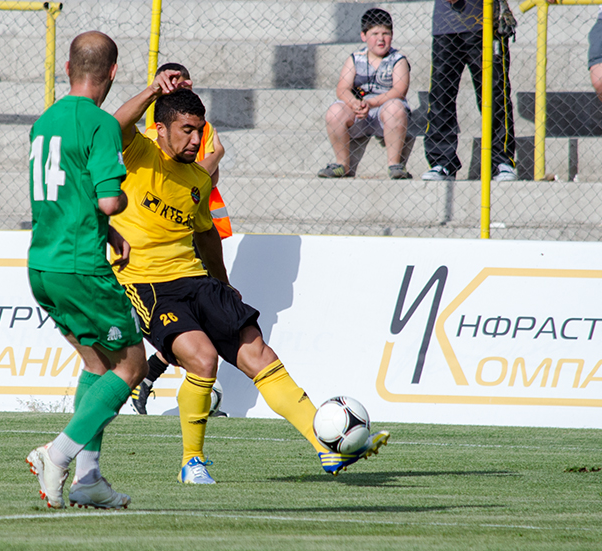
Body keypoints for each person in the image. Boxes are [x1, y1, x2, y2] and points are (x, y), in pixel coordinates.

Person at [112, 74, 390, 483]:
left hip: (197, 280)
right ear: (161, 129)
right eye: (186, 130)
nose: (195, 140)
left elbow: (206, 235)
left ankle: (326, 447)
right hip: (148, 285)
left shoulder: (198, 180)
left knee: (261, 356)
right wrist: (154, 90)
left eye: (199, 131)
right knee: (203, 359)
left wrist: (223, 284)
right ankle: (192, 461)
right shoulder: (140, 153)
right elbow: (115, 125)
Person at [24, 31, 148, 510]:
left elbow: (66, 193)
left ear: (67, 69)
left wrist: (105, 231)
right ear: (113, 72)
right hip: (81, 268)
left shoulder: (45, 121)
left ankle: (88, 479)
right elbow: (108, 199)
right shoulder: (101, 124)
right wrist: (119, 208)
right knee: (131, 365)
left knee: (97, 364)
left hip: (44, 264)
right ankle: (57, 454)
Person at [131, 62, 232, 416]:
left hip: (197, 226)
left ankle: (157, 378)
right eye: (176, 83)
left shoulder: (203, 127)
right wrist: (214, 157)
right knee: (191, 327)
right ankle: (151, 378)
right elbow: (178, 176)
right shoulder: (153, 133)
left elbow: (207, 179)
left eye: (187, 82)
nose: (183, 87)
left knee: (204, 321)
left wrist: (211, 162)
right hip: (162, 242)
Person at [421, 0, 517, 181]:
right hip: (446, 24)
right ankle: (442, 162)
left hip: (485, 21)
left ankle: (501, 160)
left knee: (494, 95)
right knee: (441, 95)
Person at [317, 9, 412, 180]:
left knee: (395, 107)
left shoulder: (398, 59)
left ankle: (395, 165)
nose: (381, 39)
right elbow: (342, 89)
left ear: (392, 35)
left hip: (386, 114)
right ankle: (342, 164)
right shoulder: (356, 58)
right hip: (360, 113)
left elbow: (399, 91)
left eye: (386, 33)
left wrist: (372, 103)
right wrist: (354, 103)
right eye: (374, 34)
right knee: (334, 111)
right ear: (363, 36)